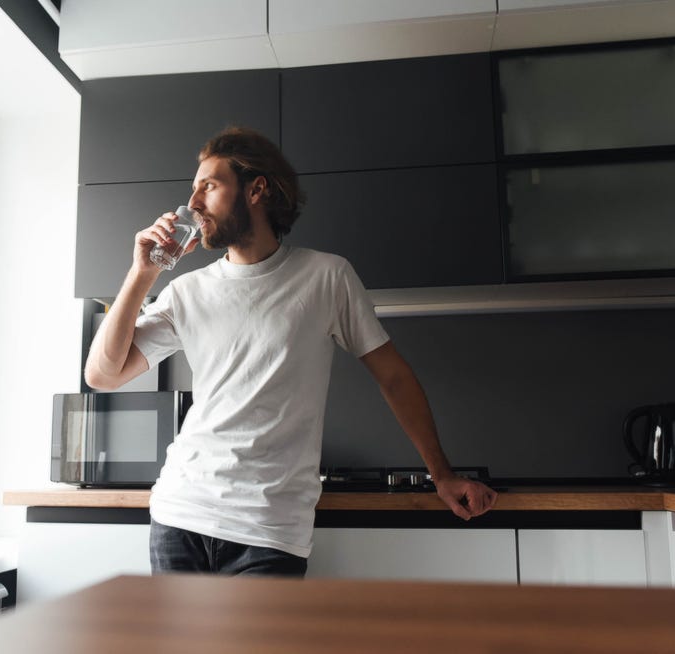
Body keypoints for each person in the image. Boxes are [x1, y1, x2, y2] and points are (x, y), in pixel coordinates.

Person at [84, 126, 497, 577]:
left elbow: (394, 377)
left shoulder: (327, 277)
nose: (194, 203)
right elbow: (103, 375)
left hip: (269, 530)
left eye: (210, 185)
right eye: (194, 188)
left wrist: (442, 475)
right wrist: (142, 274)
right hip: (180, 513)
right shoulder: (186, 291)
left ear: (256, 189)